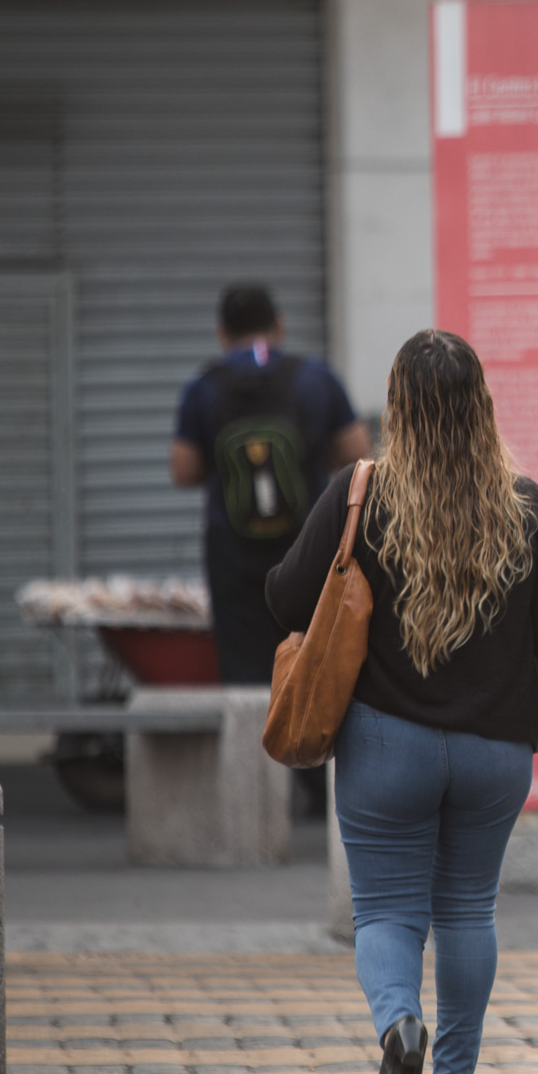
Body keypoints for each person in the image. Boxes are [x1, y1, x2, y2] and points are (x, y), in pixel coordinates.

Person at [264, 330, 538, 1074]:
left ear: (399, 406)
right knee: (467, 909)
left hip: (386, 745)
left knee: (387, 910)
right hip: (495, 751)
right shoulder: (526, 507)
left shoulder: (360, 494)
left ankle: (401, 1028)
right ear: (480, 405)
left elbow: (285, 598)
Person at [171, 284, 368, 814]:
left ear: (221, 332)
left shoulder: (204, 388)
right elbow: (357, 453)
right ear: (278, 325)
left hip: (232, 554)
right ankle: (317, 790)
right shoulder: (315, 379)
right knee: (316, 658)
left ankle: (254, 799)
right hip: (308, 551)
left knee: (243, 672)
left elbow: (183, 468)